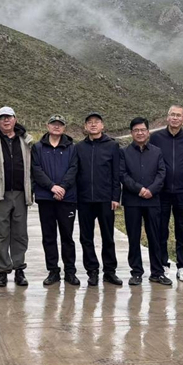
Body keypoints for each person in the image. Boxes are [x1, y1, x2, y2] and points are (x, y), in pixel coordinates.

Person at [0, 106, 34, 287]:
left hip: (20, 194)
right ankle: (3, 271)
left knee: (20, 234)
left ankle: (19, 270)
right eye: (2, 118)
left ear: (15, 119)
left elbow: (32, 167)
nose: (6, 120)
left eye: (9, 117)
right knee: (1, 234)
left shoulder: (25, 140)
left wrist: (31, 190)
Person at [120, 117, 171, 286]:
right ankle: (136, 272)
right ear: (131, 133)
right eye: (136, 130)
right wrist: (139, 189)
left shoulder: (157, 152)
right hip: (132, 201)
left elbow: (162, 173)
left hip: (152, 200)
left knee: (155, 237)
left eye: (142, 130)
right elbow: (123, 175)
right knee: (133, 237)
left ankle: (157, 272)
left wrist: (151, 190)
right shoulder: (124, 152)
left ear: (148, 132)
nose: (140, 133)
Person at [31, 114, 80, 286]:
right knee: (49, 236)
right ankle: (53, 271)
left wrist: (63, 187)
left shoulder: (72, 148)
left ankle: (70, 272)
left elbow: (74, 169)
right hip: (46, 198)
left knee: (67, 236)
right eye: (53, 124)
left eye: (60, 124)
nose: (56, 127)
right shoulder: (37, 147)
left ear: (64, 128)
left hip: (67, 198)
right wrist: (52, 187)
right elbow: (36, 170)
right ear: (47, 126)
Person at [149, 105, 183, 282]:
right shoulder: (156, 138)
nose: (175, 118)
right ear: (167, 118)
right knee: (161, 228)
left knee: (182, 229)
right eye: (172, 115)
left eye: (179, 115)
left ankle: (182, 266)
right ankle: (163, 264)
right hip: (162, 191)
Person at [75, 112, 123, 286]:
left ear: (102, 126)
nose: (93, 124)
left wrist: (115, 196)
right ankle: (92, 271)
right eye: (89, 122)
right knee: (86, 238)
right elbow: (75, 173)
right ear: (85, 127)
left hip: (105, 199)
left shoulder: (112, 146)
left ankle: (109, 271)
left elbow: (116, 173)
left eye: (96, 122)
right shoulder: (79, 147)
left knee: (108, 237)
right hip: (85, 200)